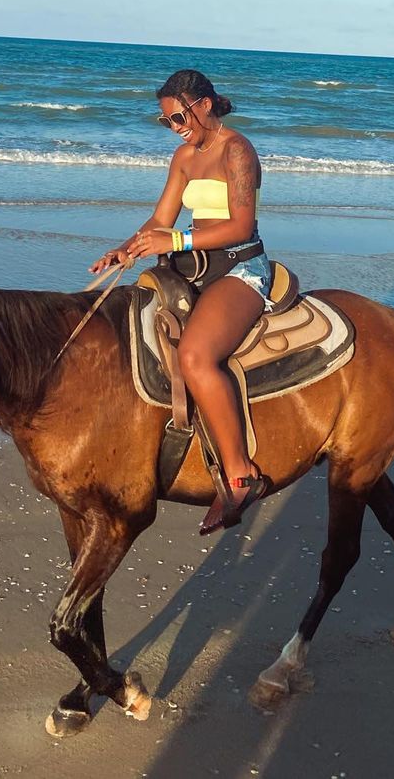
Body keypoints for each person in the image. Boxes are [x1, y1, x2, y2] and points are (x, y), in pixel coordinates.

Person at [90, 69, 270, 535]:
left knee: (194, 355)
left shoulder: (237, 150)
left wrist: (176, 240)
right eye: (166, 120)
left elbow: (241, 226)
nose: (175, 127)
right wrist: (126, 249)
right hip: (194, 266)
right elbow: (160, 218)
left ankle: (240, 474)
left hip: (239, 268)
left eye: (179, 117)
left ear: (205, 105)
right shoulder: (184, 156)